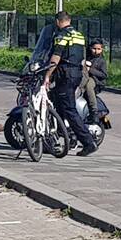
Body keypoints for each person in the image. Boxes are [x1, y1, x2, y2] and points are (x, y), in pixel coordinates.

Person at [44, 11, 97, 156]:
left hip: (65, 74)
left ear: (57, 22)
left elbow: (55, 57)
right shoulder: (79, 35)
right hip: (76, 74)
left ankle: (87, 142)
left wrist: (47, 76)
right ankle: (67, 136)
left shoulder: (61, 35)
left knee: (69, 109)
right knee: (58, 102)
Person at [80, 39, 108, 122]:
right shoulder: (86, 57)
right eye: (94, 49)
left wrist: (90, 70)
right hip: (84, 77)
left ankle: (94, 111)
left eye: (98, 49)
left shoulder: (101, 61)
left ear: (102, 49)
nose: (96, 51)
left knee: (88, 86)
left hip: (95, 80)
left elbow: (104, 75)